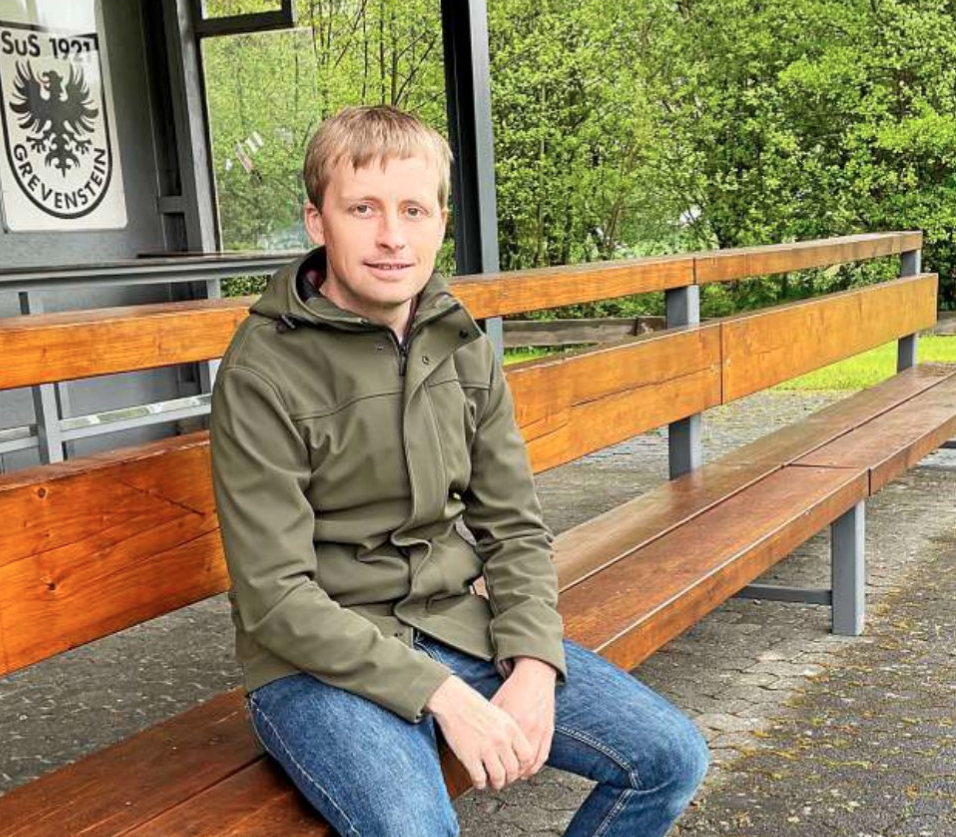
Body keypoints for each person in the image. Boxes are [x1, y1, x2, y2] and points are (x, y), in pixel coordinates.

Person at [208, 104, 710, 837]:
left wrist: (533, 663)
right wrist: (442, 695)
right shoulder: (263, 370)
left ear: (441, 219)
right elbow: (275, 598)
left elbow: (514, 527)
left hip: (458, 627)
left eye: (413, 209)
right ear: (317, 221)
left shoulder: (460, 342)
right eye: (363, 209)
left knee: (669, 756)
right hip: (319, 668)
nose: (391, 235)